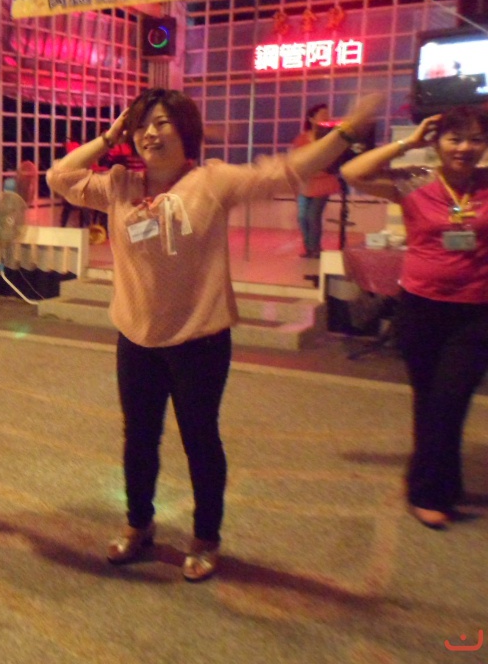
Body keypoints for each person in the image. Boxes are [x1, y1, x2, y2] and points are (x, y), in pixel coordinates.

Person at [47, 88, 383, 581]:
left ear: (186, 130)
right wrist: (108, 136)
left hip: (199, 339)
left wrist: (348, 130)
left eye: (162, 122)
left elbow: (286, 171)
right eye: (141, 125)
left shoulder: (211, 181)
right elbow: (59, 177)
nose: (150, 133)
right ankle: (139, 524)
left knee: (200, 439)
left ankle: (206, 536)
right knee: (138, 438)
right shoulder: (119, 184)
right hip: (137, 337)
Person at [339, 106, 488, 530]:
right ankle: (440, 484)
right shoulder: (415, 180)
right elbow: (352, 172)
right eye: (455, 138)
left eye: (476, 139)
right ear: (437, 142)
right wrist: (409, 142)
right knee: (429, 400)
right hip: (421, 310)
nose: (465, 148)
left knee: (450, 400)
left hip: (476, 313)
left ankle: (427, 491)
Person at [292, 103, 338, 258]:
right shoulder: (302, 139)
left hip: (323, 182)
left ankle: (315, 249)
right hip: (305, 183)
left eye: (327, 114)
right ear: (311, 119)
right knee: (302, 217)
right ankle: (309, 248)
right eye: (322, 114)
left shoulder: (330, 138)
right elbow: (296, 159)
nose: (326, 117)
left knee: (313, 216)